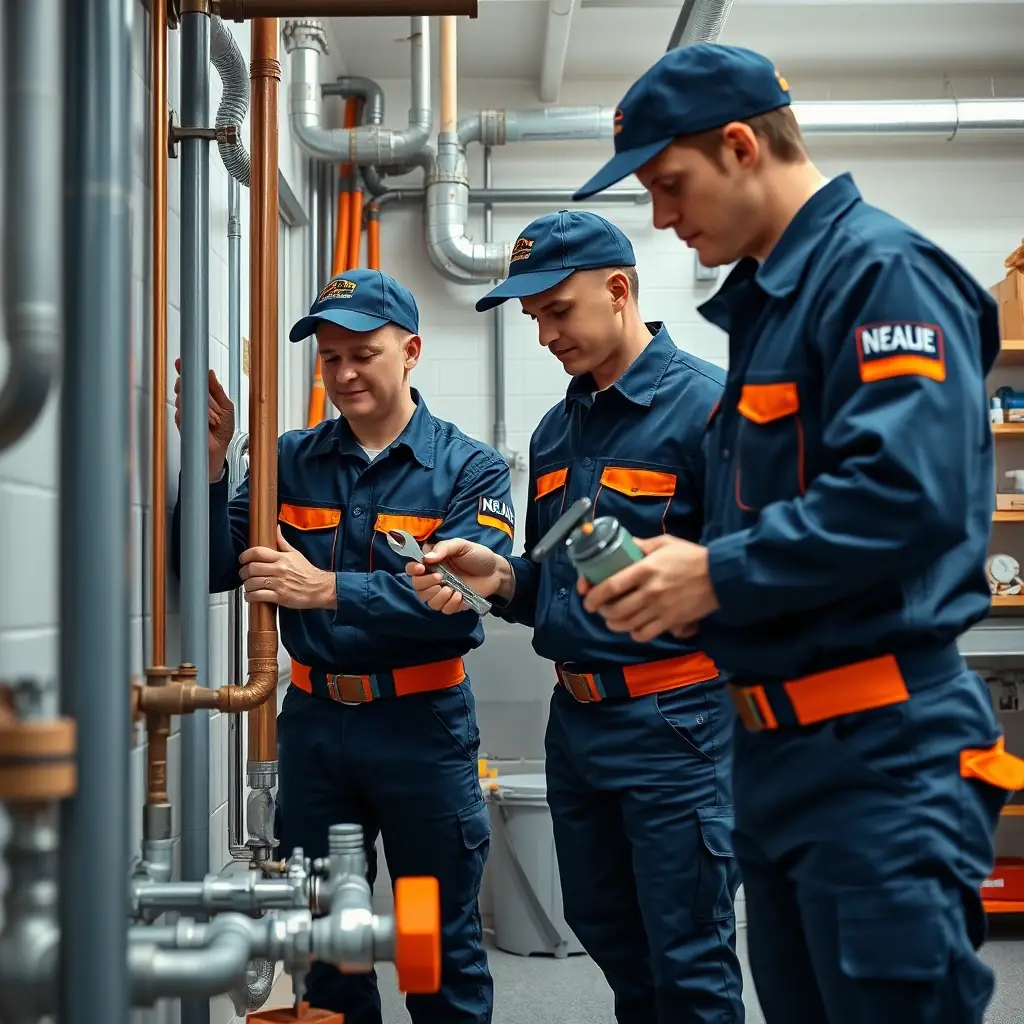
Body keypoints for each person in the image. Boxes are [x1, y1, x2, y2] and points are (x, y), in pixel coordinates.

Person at [570, 42, 1024, 1024]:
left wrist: (717, 575)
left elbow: (911, 497)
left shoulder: (880, 275)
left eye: (668, 184)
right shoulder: (770, 310)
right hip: (779, 758)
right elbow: (781, 526)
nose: (660, 216)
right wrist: (671, 578)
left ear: (740, 146)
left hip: (878, 759)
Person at [405, 209, 745, 1024]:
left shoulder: (708, 411)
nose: (544, 334)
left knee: (688, 954)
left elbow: (756, 582)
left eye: (557, 310)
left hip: (678, 723)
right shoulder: (557, 430)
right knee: (608, 931)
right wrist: (497, 577)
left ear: (618, 288)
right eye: (533, 318)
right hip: (580, 726)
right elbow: (551, 588)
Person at [170, 268, 513, 1024]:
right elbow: (206, 566)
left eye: (364, 353)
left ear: (412, 350)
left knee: (440, 946)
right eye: (330, 358)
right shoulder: (292, 459)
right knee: (325, 948)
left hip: (423, 728)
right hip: (316, 730)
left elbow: (458, 608)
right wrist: (213, 462)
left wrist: (324, 589)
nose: (345, 373)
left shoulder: (469, 469)